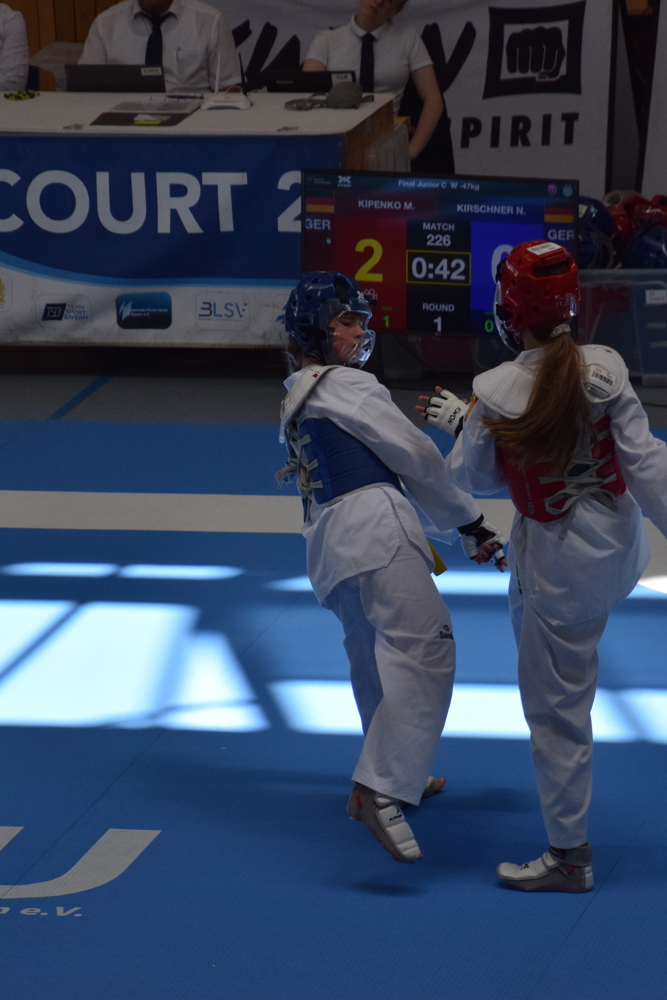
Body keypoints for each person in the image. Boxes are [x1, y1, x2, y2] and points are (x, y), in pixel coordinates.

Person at [419, 241, 667, 892]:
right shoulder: (603, 371)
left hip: (558, 568)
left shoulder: (499, 393)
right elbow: (647, 460)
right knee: (546, 646)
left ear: (509, 312)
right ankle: (567, 844)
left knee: (555, 711)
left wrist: (467, 425)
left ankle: (569, 856)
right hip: (611, 548)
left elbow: (476, 477)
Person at [278, 271, 506, 864]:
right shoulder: (346, 383)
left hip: (330, 546)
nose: (360, 332)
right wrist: (470, 521)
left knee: (374, 656)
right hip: (375, 531)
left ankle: (392, 773)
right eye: (346, 322)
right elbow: (417, 456)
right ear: (315, 330)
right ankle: (379, 786)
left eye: (361, 321)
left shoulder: (299, 392)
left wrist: (460, 527)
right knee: (427, 648)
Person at [302, 0, 449, 167]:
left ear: (396, 10)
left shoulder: (407, 38)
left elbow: (434, 100)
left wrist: (411, 151)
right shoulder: (327, 39)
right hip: (336, 143)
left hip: (386, 145)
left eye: (389, 1)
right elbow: (307, 95)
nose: (379, 2)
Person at [78, 0, 241, 92]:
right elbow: (85, 89)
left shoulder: (210, 21)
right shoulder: (105, 24)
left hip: (191, 125)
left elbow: (229, 88)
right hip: (122, 126)